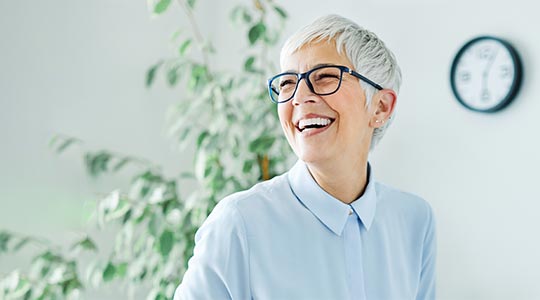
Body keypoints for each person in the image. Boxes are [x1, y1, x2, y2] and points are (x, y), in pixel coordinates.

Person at [174, 14, 436, 300]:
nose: (299, 97)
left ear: (380, 107)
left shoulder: (415, 220)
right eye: (287, 83)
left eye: (324, 77)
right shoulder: (238, 223)